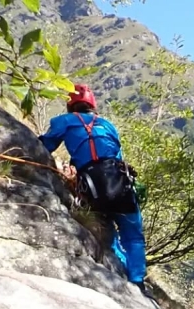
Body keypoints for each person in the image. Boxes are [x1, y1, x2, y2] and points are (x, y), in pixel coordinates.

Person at [38, 84, 148, 291]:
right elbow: (117, 156)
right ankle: (137, 281)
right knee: (133, 234)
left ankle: (119, 268)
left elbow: (46, 145)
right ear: (93, 105)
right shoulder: (108, 125)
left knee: (109, 232)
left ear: (71, 105)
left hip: (92, 187)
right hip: (120, 183)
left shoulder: (64, 121)